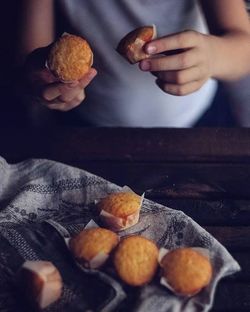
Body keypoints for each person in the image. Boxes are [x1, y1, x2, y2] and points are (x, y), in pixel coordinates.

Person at [17, 0, 250, 127]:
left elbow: (244, 49)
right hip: (90, 127)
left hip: (198, 122)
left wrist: (213, 57)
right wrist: (42, 81)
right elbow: (29, 58)